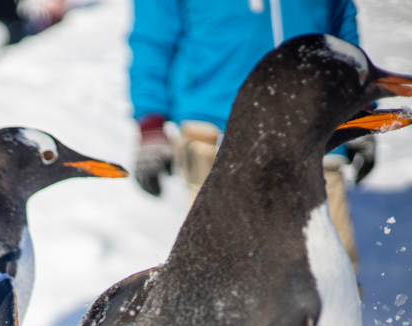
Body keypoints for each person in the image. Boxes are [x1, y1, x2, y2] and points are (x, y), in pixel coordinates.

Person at [129, 0, 369, 272]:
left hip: (314, 119)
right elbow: (152, 36)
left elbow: (341, 22)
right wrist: (150, 124)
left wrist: (358, 109)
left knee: (331, 270)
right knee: (219, 271)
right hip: (214, 126)